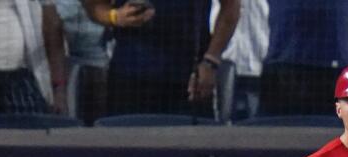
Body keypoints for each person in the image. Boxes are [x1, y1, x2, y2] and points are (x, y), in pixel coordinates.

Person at [80, 0, 239, 117]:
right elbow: (92, 5)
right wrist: (114, 17)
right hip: (129, 77)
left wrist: (210, 60)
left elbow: (231, 8)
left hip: (191, 80)